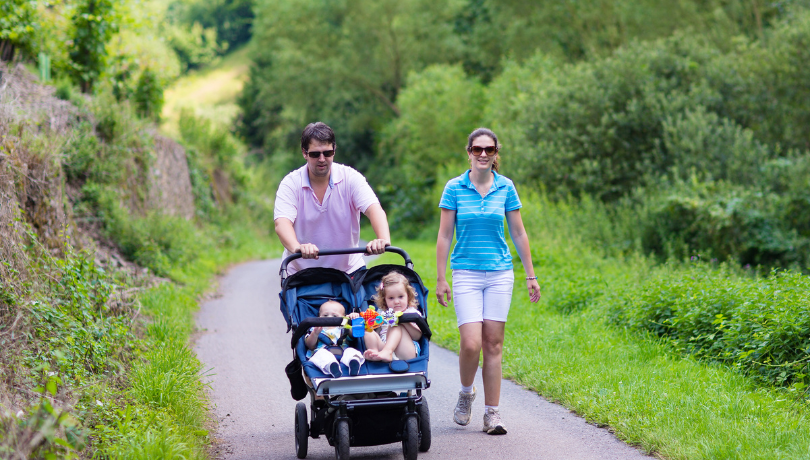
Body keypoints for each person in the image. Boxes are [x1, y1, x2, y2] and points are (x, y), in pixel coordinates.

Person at [435, 127, 542, 436]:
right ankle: (466, 393)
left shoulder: (506, 187)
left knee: (493, 343)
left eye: (489, 149)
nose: (483, 154)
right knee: (470, 344)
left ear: (496, 154)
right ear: (468, 152)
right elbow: (444, 235)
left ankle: (492, 415)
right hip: (466, 273)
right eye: (478, 149)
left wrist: (530, 274)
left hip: (499, 274)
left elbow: (519, 233)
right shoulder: (454, 188)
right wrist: (442, 278)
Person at [274, 122, 391, 275]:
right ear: (304, 153)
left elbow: (374, 209)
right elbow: (282, 223)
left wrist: (383, 239)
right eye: (315, 154)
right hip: (301, 273)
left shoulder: (350, 178)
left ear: (334, 151)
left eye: (327, 153)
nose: (322, 159)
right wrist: (297, 248)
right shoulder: (291, 184)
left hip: (349, 271)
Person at [363, 272, 423, 362]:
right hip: (383, 347)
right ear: (384, 299)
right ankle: (374, 354)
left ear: (408, 296)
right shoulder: (382, 313)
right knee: (368, 331)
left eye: (400, 297)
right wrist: (371, 324)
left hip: (405, 350)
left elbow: (417, 336)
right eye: (391, 298)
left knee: (395, 322)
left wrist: (403, 320)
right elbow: (378, 333)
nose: (396, 301)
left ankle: (388, 352)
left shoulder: (412, 313)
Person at [305, 300, 365, 377]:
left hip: (343, 352)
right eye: (325, 315)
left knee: (352, 351)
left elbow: (352, 335)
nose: (329, 318)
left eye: (334, 316)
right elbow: (310, 345)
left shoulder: (343, 327)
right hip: (323, 351)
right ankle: (331, 366)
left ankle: (353, 362)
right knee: (321, 355)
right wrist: (315, 334)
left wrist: (352, 320)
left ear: (343, 317)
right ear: (319, 317)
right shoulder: (316, 328)